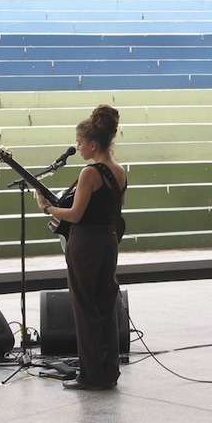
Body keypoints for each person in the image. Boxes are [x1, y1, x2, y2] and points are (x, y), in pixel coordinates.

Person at [35, 104, 126, 390]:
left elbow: (75, 214)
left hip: (85, 243)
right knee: (105, 306)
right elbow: (116, 208)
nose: (78, 146)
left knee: (84, 308)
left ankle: (90, 375)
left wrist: (48, 207)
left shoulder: (90, 173)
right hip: (108, 241)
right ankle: (109, 371)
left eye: (80, 142)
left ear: (93, 143)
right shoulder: (119, 170)